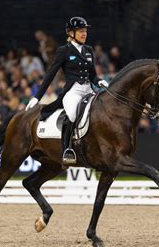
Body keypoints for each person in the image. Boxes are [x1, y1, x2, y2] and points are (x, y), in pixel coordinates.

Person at [25, 17, 109, 166]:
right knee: (71, 113)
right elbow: (50, 74)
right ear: (71, 33)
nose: (84, 34)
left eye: (85, 31)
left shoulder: (88, 50)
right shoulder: (64, 51)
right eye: (81, 31)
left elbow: (92, 74)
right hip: (73, 91)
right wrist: (37, 97)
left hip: (89, 90)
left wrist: (99, 81)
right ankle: (67, 150)